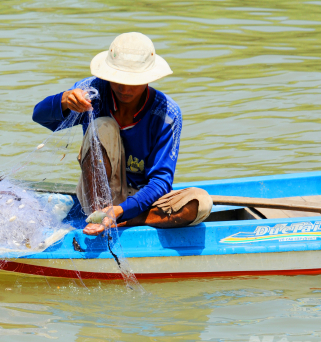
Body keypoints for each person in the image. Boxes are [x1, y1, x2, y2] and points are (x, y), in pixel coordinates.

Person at [32, 32, 212, 235]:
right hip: (98, 192)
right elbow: (40, 116)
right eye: (119, 79)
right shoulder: (93, 92)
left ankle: (123, 222)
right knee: (103, 126)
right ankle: (98, 214)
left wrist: (120, 210)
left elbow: (161, 181)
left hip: (142, 201)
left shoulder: (167, 114)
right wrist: (64, 99)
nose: (125, 88)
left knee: (200, 203)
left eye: (133, 81)